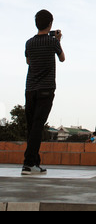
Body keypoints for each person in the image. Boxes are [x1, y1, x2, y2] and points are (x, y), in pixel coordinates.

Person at [22, 10, 65, 175]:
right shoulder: (52, 42)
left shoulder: (29, 43)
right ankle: (28, 163)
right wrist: (58, 41)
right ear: (50, 24)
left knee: (32, 126)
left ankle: (34, 163)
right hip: (46, 89)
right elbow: (62, 58)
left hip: (30, 89)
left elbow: (28, 61)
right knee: (38, 126)